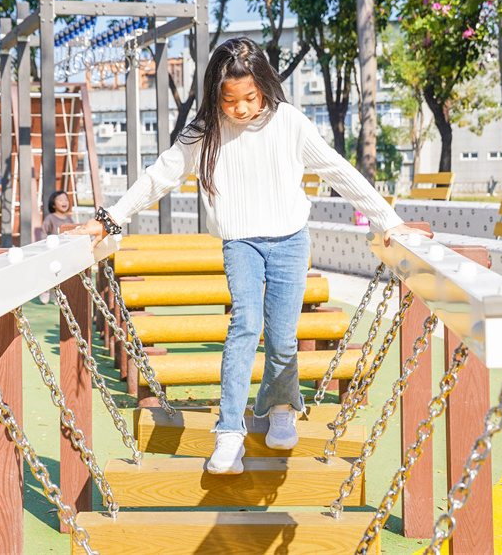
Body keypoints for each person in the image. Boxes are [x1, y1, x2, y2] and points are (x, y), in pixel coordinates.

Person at [67, 37, 432, 475]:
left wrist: (386, 219)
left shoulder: (290, 122)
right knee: (245, 325)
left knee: (281, 334)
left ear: (264, 86)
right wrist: (109, 219)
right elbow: (158, 176)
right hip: (240, 242)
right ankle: (229, 433)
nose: (240, 109)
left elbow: (338, 170)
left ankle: (280, 407)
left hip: (291, 239)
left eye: (250, 98)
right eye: (229, 100)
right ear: (215, 95)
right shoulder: (204, 132)